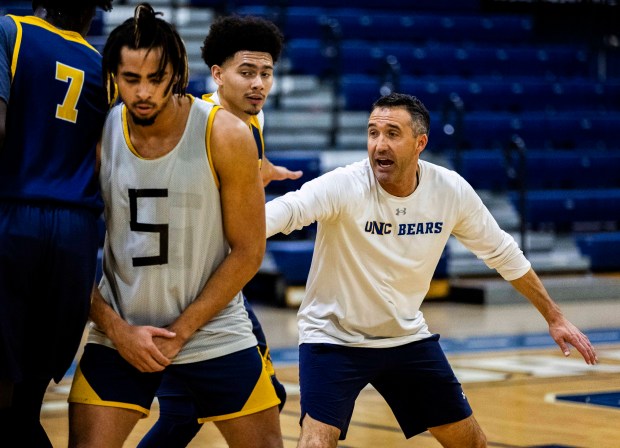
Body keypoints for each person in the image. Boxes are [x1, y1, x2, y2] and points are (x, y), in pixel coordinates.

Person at [265, 92, 599, 447]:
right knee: (316, 441)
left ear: (420, 142)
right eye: (372, 132)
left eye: (392, 133)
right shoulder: (345, 184)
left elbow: (503, 253)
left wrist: (554, 316)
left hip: (404, 337)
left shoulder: (449, 190)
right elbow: (287, 211)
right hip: (332, 337)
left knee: (471, 443)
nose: (379, 144)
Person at [67, 4, 283, 447]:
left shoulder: (226, 134)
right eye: (131, 79)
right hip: (120, 334)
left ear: (178, 73)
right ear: (113, 76)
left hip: (214, 331)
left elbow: (249, 251)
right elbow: (67, 248)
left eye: (156, 79)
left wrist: (182, 332)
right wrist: (116, 328)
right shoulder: (98, 134)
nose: (143, 92)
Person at [138, 14, 299, 448]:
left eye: (266, 74)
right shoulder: (194, 125)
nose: (258, 84)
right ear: (217, 74)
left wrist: (260, 171)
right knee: (266, 404)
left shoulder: (251, 122)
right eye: (246, 72)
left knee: (182, 413)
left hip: (213, 286)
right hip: (198, 290)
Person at [0, 1, 112, 446]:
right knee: (27, 404)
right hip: (75, 236)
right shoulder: (103, 65)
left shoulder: (11, 31)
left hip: (13, 217)